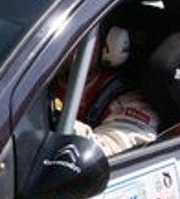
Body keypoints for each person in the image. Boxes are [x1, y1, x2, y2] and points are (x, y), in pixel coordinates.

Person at [67, 18, 160, 157]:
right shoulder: (42, 80)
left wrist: (53, 123)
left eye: (77, 38)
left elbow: (109, 148)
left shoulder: (129, 99)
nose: (66, 46)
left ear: (111, 43)